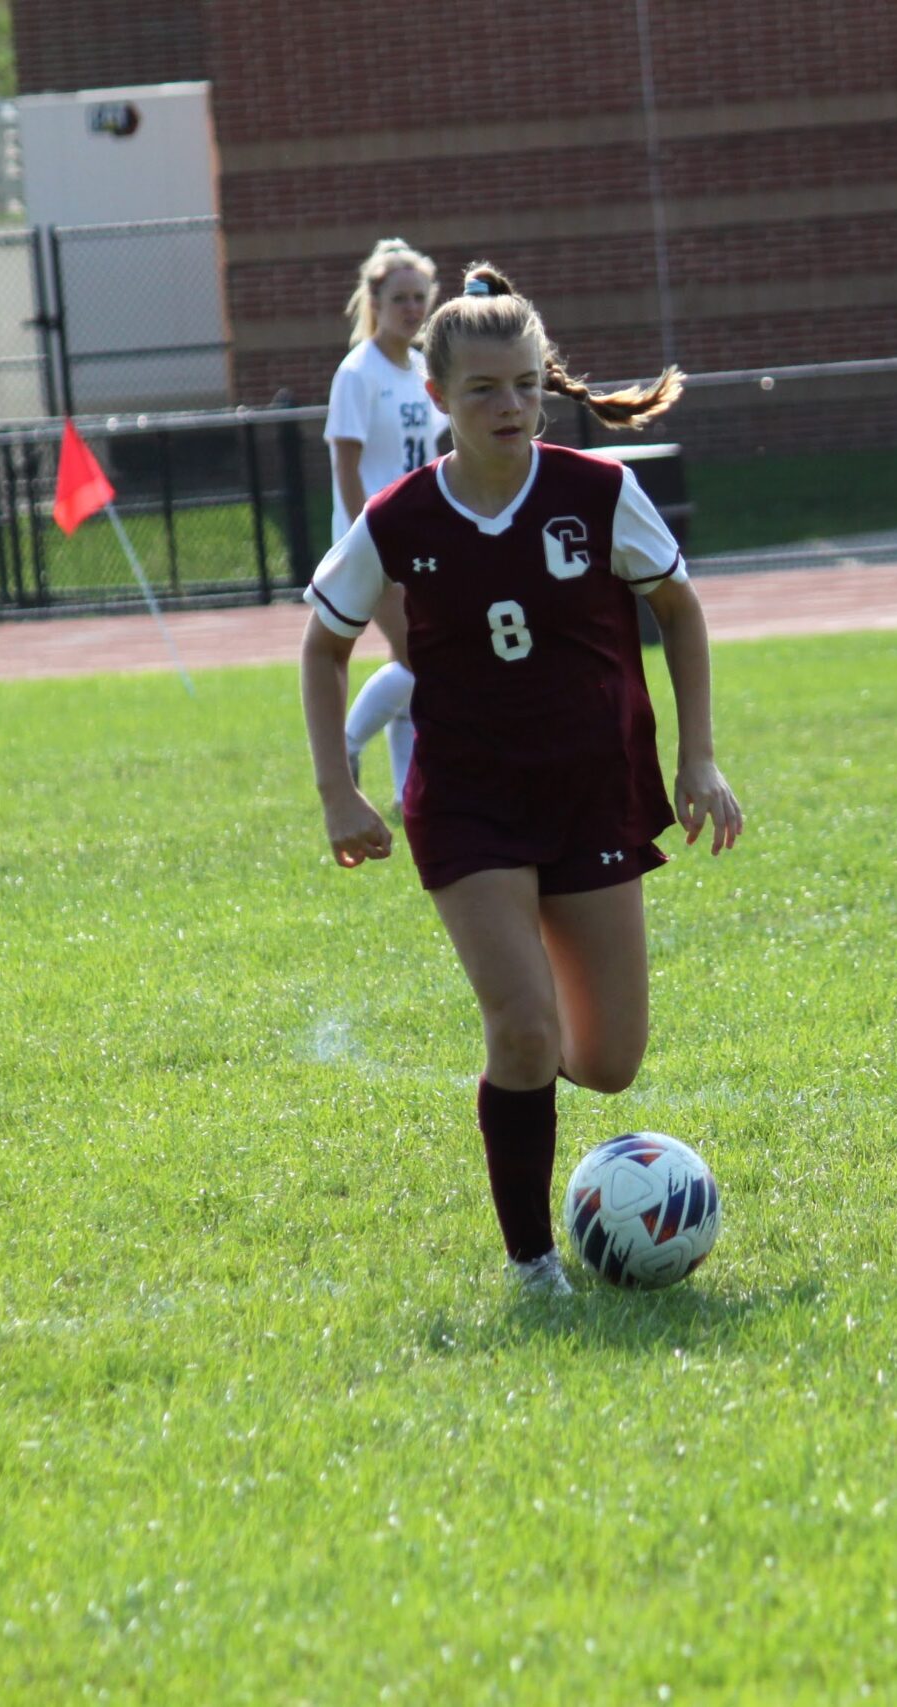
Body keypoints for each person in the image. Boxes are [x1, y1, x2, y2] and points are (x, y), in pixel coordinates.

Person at [300, 264, 743, 1295]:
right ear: (437, 401)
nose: (509, 407)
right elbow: (321, 647)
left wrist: (698, 757)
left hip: (590, 792)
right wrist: (337, 787)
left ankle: (542, 1112)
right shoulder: (401, 518)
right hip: (467, 804)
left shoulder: (598, 493)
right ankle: (532, 1260)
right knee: (524, 1029)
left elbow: (677, 609)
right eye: (483, 391)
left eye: (525, 387)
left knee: (609, 1060)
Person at [326, 239, 443, 809]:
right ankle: (346, 744)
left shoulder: (422, 368)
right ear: (375, 300)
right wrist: (371, 540)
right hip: (377, 540)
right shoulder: (357, 372)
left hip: (421, 538)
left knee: (415, 663)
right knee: (419, 658)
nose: (412, 308)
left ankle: (404, 792)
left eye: (420, 297)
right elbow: (346, 466)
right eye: (400, 297)